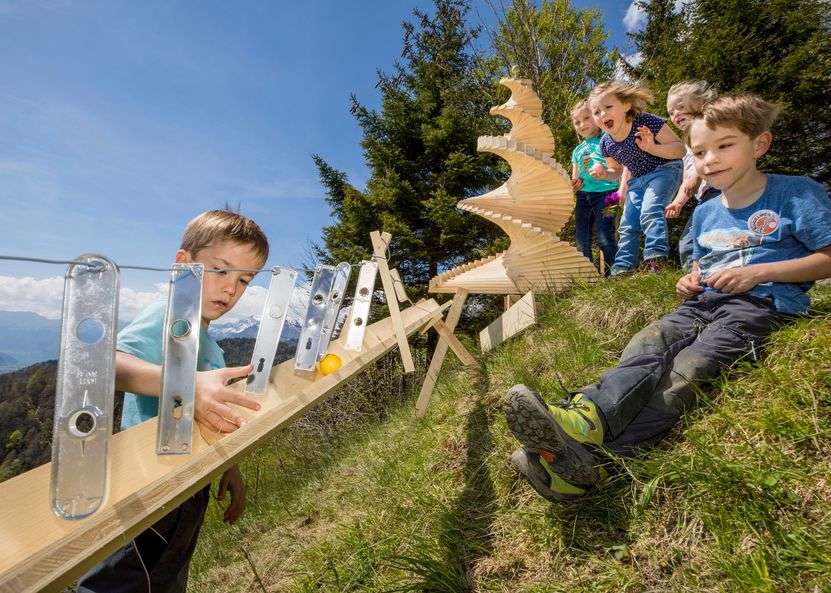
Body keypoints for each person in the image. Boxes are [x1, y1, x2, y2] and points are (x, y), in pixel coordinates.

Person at [505, 94, 831, 501]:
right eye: (699, 152)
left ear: (760, 144)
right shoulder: (705, 212)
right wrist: (689, 280)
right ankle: (587, 416)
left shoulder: (795, 193)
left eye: (724, 145)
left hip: (760, 305)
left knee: (689, 368)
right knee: (650, 342)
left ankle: (594, 464)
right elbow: (703, 262)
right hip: (701, 303)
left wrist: (759, 273)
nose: (710, 159)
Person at [78, 209, 268, 593]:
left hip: (189, 489)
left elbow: (212, 414)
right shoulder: (165, 317)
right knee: (120, 583)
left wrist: (230, 468)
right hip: (147, 488)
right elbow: (105, 364)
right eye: (220, 270)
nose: (231, 289)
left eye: (244, 280)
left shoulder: (211, 346)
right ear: (183, 265)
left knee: (167, 581)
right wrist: (185, 384)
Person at [587, 80, 686, 274]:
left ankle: (656, 259)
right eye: (597, 112)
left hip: (664, 169)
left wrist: (652, 148)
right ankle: (623, 267)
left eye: (608, 107)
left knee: (650, 210)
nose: (603, 114)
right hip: (637, 180)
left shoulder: (645, 122)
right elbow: (616, 170)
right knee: (628, 222)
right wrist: (604, 174)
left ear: (626, 105)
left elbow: (680, 149)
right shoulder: (606, 143)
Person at [664, 80, 721, 270]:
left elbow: (706, 160)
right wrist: (678, 203)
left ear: (702, 104)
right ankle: (697, 277)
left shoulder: (710, 129)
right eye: (671, 112)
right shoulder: (686, 144)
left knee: (693, 243)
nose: (676, 114)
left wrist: (697, 176)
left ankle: (700, 276)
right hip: (704, 198)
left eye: (681, 107)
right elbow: (687, 182)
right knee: (689, 243)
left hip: (720, 193)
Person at [569, 99, 619, 275]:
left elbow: (617, 168)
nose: (582, 124)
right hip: (583, 197)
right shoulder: (577, 151)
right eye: (577, 122)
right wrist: (573, 184)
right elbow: (575, 177)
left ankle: (616, 273)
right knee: (581, 240)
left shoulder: (607, 139)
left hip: (608, 194)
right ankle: (588, 277)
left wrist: (604, 172)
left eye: (586, 118)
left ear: (596, 117)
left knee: (605, 236)